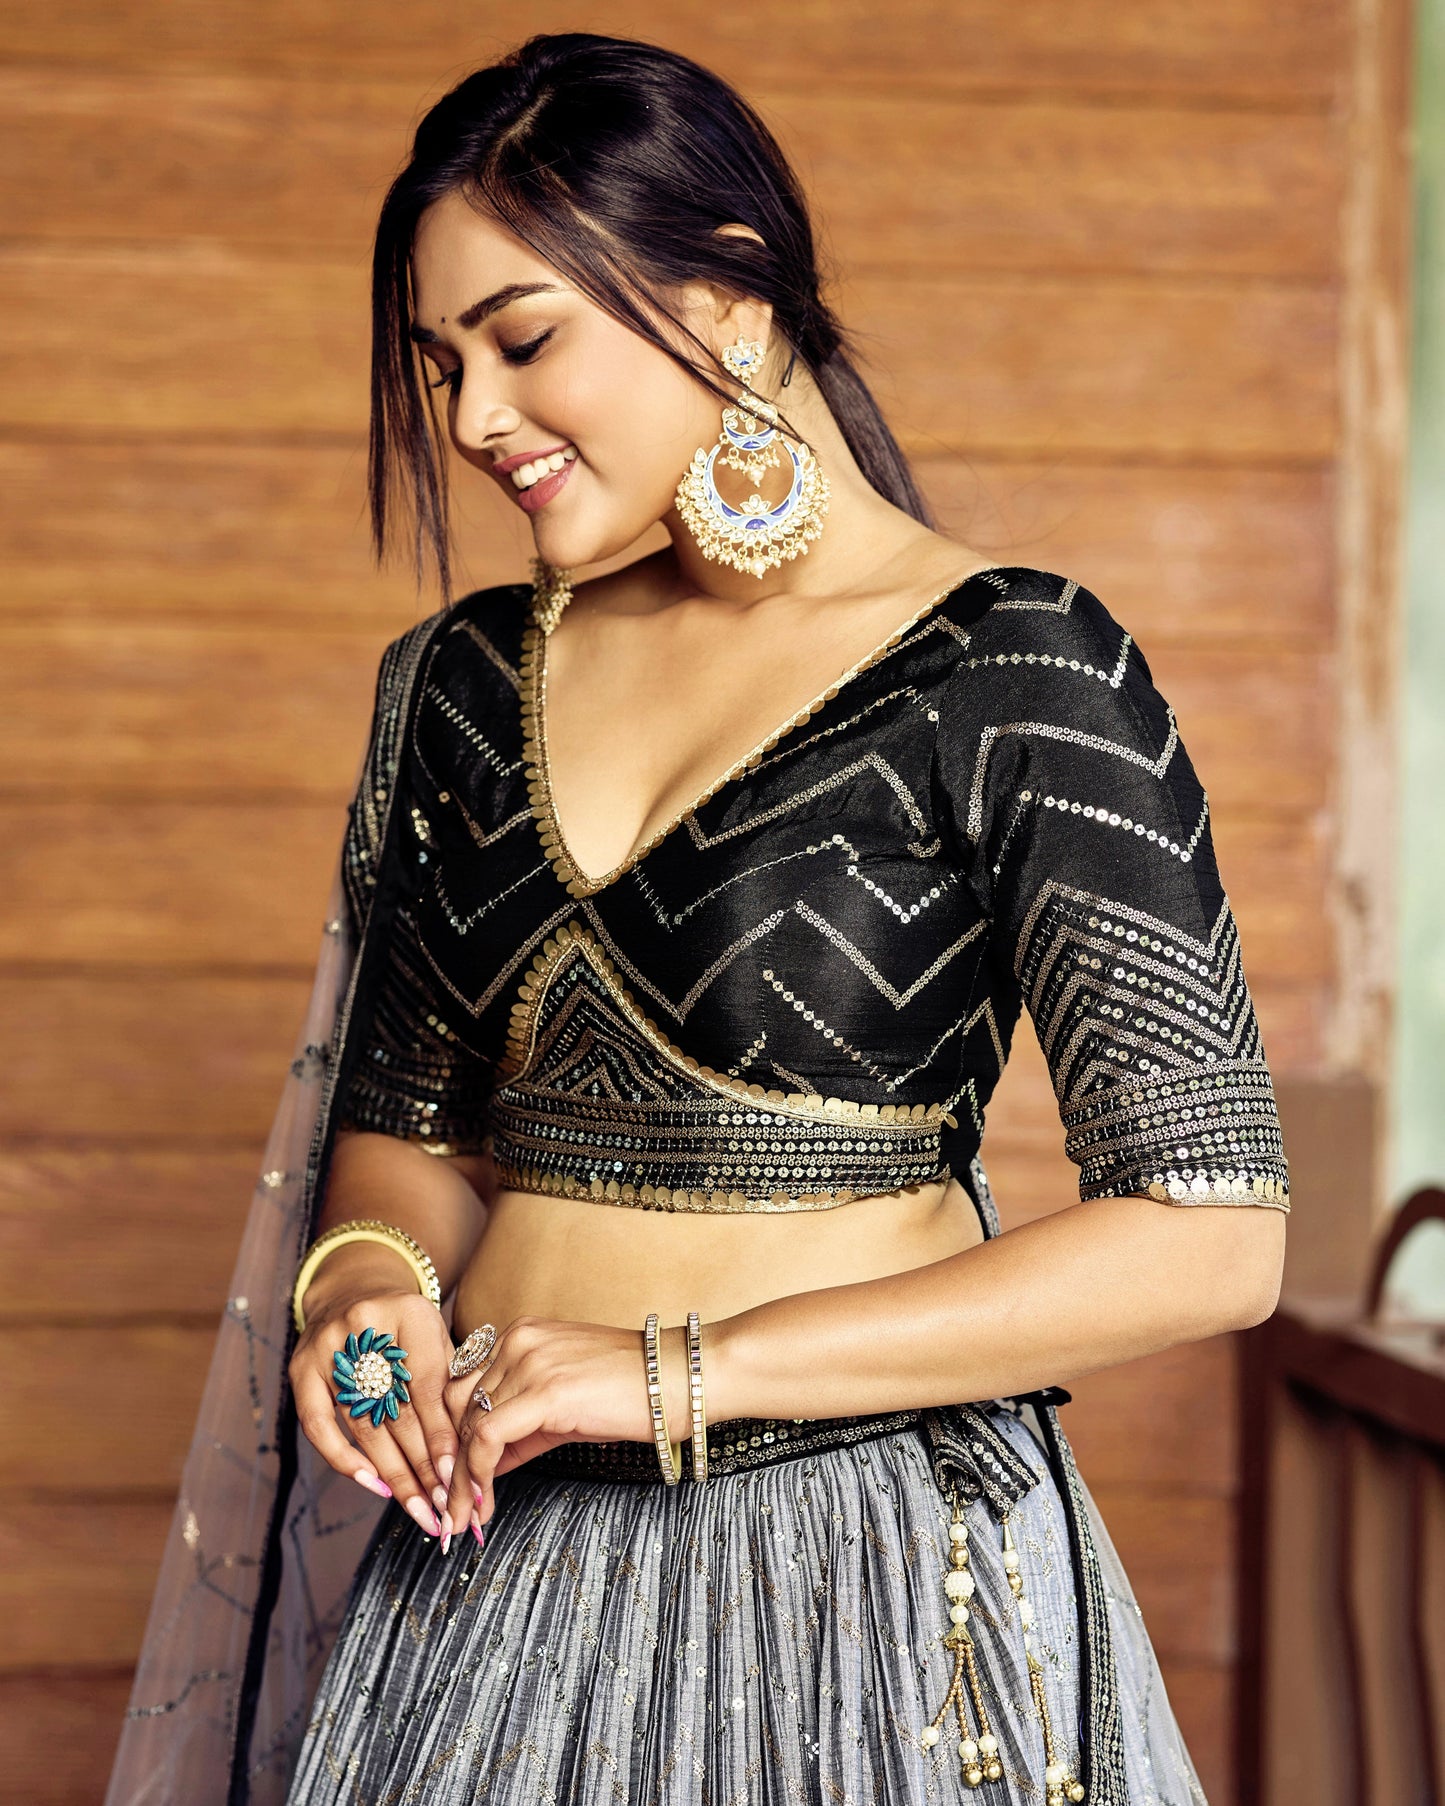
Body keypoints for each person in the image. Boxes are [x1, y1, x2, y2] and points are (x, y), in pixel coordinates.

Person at [107, 32, 1290, 1806]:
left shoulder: (1014, 668)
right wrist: (365, 1307)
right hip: (485, 1585)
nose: (471, 420)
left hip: (868, 1586)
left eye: (522, 339)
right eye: (441, 366)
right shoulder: (455, 687)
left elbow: (1208, 1234)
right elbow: (406, 1140)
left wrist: (678, 1373)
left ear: (729, 297)